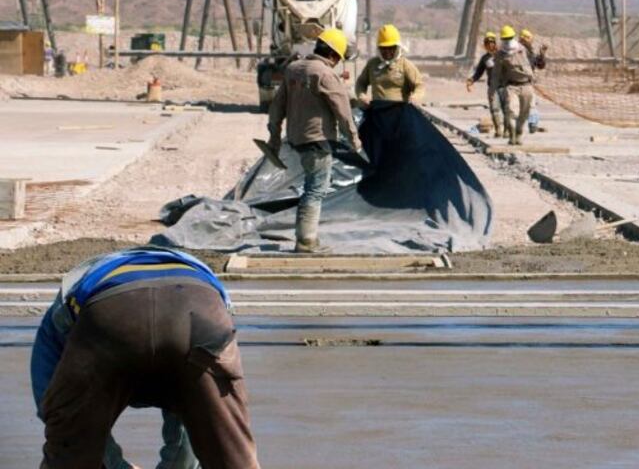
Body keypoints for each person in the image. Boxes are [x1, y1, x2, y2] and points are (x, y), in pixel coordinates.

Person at [31, 246, 259, 469]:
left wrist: (115, 465)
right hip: (200, 307)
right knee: (232, 453)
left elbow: (62, 415)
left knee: (69, 453)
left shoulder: (59, 318)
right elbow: (195, 421)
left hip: (111, 312)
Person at [267, 28, 361, 253]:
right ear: (333, 54)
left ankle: (306, 237)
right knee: (315, 189)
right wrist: (354, 140)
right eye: (339, 57)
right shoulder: (325, 74)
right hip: (317, 140)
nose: (338, 62)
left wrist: (274, 136)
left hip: (296, 138)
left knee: (311, 186)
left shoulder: (293, 70)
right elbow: (343, 110)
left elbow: (277, 106)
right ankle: (306, 241)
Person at [355, 24, 426, 105]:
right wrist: (362, 96)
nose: (387, 52)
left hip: (400, 113)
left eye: (391, 48)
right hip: (378, 112)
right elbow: (361, 83)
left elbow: (419, 85)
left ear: (397, 47)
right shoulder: (372, 64)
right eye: (384, 48)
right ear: (379, 48)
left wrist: (415, 97)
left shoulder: (405, 65)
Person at [492, 25, 535, 145]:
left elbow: (534, 60)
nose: (508, 40)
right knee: (511, 111)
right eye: (505, 38)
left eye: (509, 37)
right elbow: (496, 73)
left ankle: (519, 133)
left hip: (527, 85)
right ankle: (512, 135)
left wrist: (531, 47)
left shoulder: (522, 49)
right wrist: (494, 88)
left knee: (524, 113)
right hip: (511, 86)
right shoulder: (500, 54)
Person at [466, 31, 505, 137]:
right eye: (487, 43)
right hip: (492, 88)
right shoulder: (485, 59)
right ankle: (498, 131)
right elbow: (479, 72)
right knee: (494, 108)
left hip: (505, 87)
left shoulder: (503, 55)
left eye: (492, 42)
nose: (490, 45)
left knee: (507, 110)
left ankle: (507, 131)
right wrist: (471, 80)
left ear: (495, 43)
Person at [518, 28, 547, 133]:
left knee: (528, 104)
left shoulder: (528, 51)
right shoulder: (522, 51)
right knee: (530, 104)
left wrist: (542, 54)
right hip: (523, 82)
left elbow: (539, 65)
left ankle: (531, 124)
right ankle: (532, 124)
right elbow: (537, 64)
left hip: (522, 82)